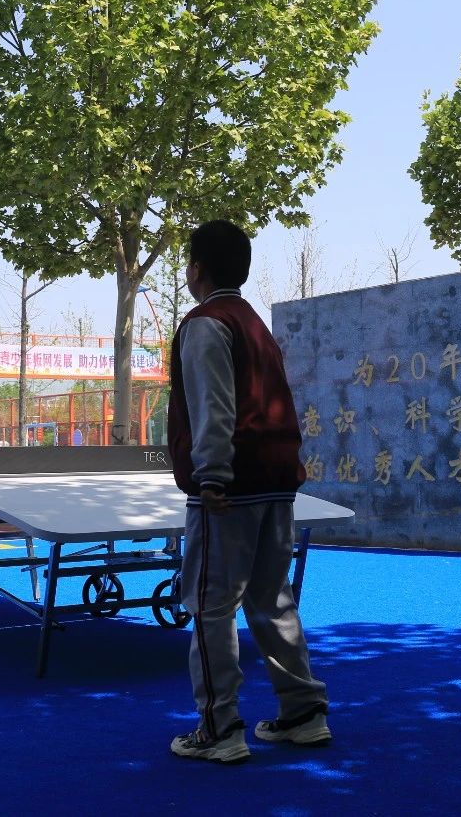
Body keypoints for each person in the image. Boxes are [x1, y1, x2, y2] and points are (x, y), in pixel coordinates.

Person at [166, 220, 330, 765]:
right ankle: (303, 713)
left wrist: (211, 473)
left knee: (211, 607)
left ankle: (220, 728)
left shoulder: (206, 324)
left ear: (196, 269)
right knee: (271, 600)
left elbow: (213, 405)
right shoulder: (255, 325)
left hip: (228, 488)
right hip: (276, 481)